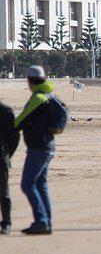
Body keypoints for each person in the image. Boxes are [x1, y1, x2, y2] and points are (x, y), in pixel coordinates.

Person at [15, 66, 58, 235]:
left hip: (39, 148)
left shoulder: (38, 98)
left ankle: (41, 221)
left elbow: (19, 122)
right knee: (41, 184)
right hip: (47, 146)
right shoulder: (49, 95)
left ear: (30, 81)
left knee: (27, 184)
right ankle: (46, 223)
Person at [0, 101, 20, 235]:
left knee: (3, 191)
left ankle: (6, 222)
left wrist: (6, 154)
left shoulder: (5, 111)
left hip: (1, 156)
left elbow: (14, 137)